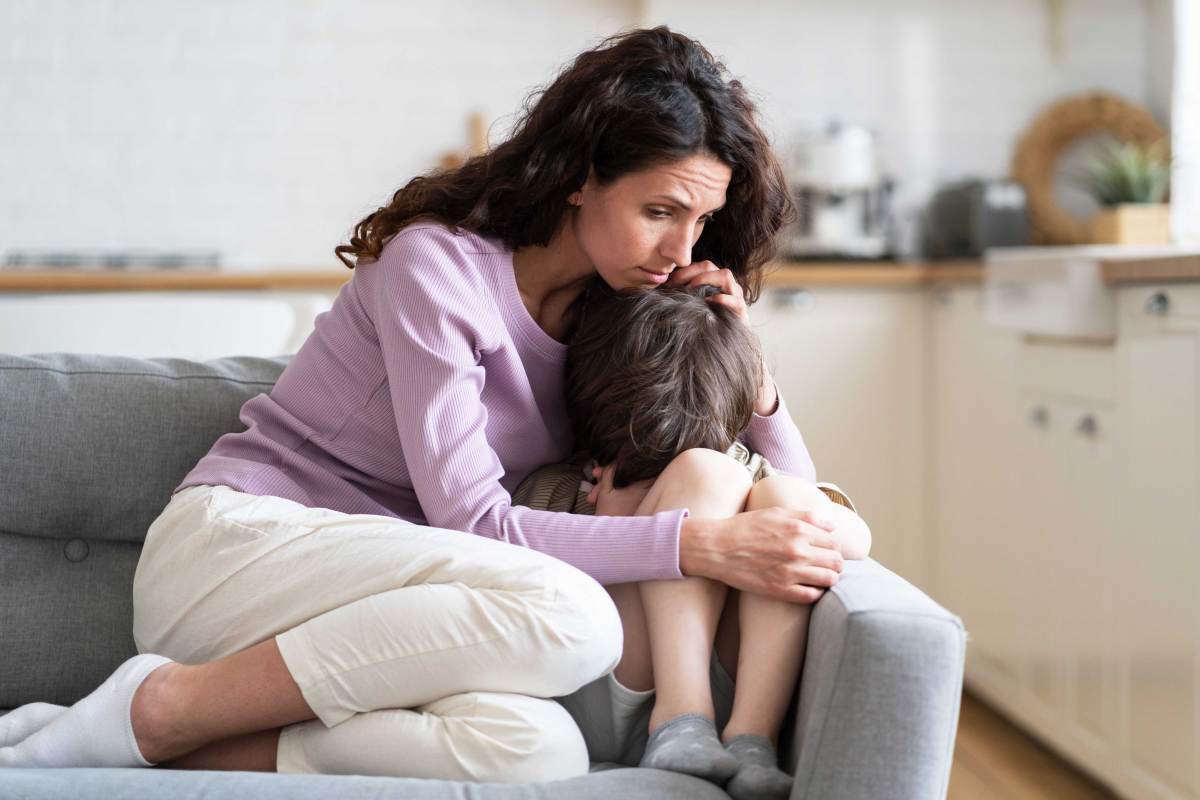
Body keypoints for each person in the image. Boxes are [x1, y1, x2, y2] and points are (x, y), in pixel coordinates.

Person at [0, 26, 858, 781]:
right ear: (578, 178)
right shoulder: (437, 270)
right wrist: (704, 546)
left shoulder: (617, 309)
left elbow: (792, 508)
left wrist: (751, 373)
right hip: (245, 553)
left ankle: (117, 739)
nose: (681, 250)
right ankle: (162, 707)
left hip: (400, 603)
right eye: (660, 210)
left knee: (535, 749)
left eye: (700, 223)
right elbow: (476, 526)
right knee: (572, 618)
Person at [513, 282, 870, 798]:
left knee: (778, 495)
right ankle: (681, 716)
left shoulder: (746, 472)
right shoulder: (573, 484)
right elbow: (507, 567)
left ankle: (753, 740)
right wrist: (619, 530)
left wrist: (775, 508)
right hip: (606, 692)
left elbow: (853, 538)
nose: (656, 476)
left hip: (725, 713)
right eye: (642, 470)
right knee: (709, 474)